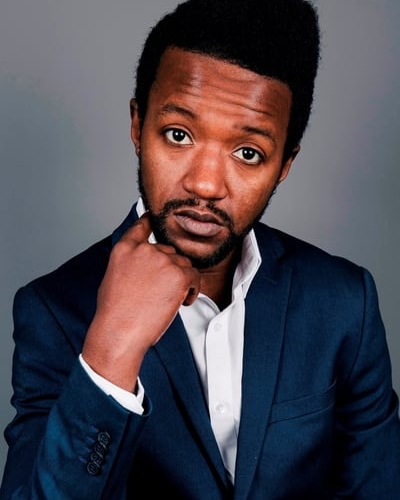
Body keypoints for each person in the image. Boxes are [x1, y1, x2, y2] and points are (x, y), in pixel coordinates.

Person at [1, 0, 400, 498]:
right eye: (178, 135)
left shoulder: (344, 302)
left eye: (248, 153)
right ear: (137, 126)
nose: (206, 184)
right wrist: (112, 348)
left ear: (284, 164)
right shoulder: (52, 311)